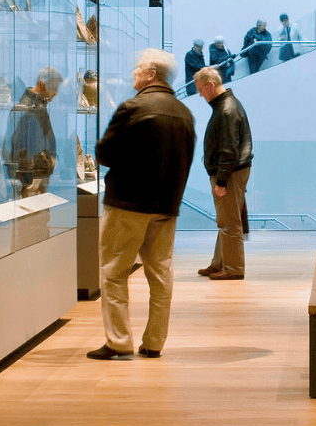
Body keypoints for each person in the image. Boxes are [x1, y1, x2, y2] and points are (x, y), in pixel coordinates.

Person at [87, 49, 195, 360]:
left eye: (138, 68)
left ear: (151, 75)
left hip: (127, 203)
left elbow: (105, 153)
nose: (133, 73)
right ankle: (155, 342)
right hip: (166, 206)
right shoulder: (184, 113)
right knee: (161, 275)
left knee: (113, 272)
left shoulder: (133, 107)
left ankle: (119, 341)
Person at [193, 66, 253, 280]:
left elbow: (228, 150)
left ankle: (234, 268)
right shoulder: (228, 105)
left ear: (210, 85)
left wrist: (221, 181)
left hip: (230, 172)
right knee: (226, 220)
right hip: (235, 171)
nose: (201, 94)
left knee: (229, 222)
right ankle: (219, 263)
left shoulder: (226, 109)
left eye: (201, 89)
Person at [4, 66, 63, 198]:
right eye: (54, 88)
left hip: (36, 178)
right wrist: (28, 183)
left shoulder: (38, 107)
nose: (56, 93)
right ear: (42, 85)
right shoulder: (26, 109)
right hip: (30, 180)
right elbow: (19, 149)